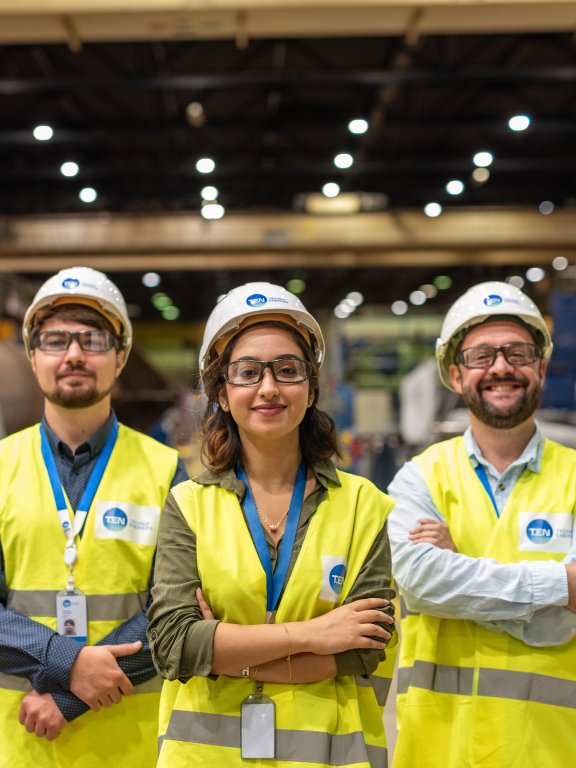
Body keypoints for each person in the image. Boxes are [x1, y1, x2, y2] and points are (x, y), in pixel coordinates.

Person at [148, 282, 397, 768]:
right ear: (221, 392)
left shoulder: (365, 506)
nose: (268, 388)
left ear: (311, 388)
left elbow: (363, 650)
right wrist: (313, 635)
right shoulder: (188, 506)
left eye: (287, 370)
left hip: (329, 755)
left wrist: (225, 647)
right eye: (247, 373)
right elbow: (176, 644)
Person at [0, 266, 188, 768]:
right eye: (56, 340)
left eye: (93, 339)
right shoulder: (0, 468)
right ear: (33, 355)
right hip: (21, 746)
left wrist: (69, 697)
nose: (75, 354)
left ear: (121, 356)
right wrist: (70, 661)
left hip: (134, 745)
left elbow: (181, 609)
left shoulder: (166, 470)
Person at [387, 281, 576, 768]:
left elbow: (560, 629)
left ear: (540, 366)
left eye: (518, 352)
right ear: (455, 373)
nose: (501, 367)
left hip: (550, 748)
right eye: (482, 356)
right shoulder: (418, 478)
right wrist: (560, 583)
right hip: (439, 748)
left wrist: (460, 573)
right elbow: (422, 585)